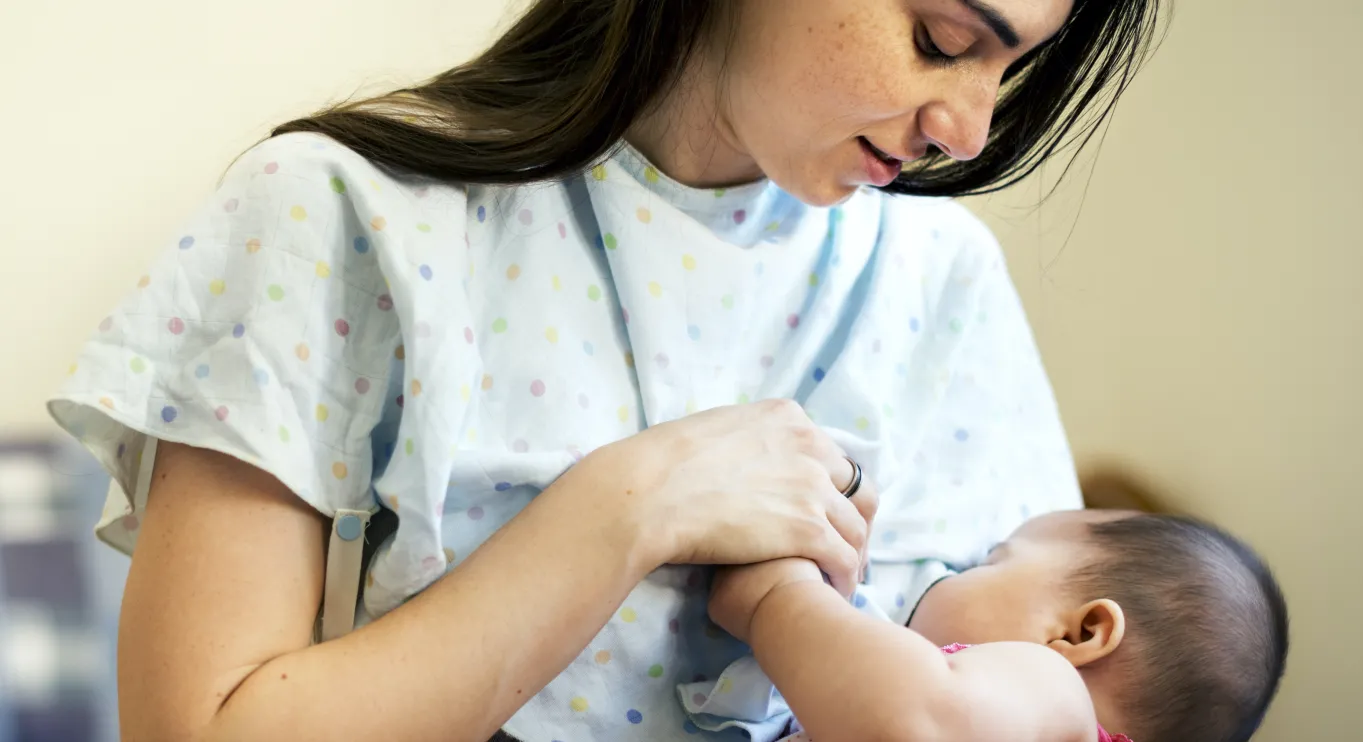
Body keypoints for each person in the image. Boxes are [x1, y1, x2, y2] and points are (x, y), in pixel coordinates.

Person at [45, 0, 1164, 739]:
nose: (968, 128)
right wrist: (632, 507)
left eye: (1010, 67)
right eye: (939, 36)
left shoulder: (942, 280)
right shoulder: (335, 213)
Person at [694, 510, 1290, 742]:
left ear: (1080, 635)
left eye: (990, 562)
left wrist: (778, 599)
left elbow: (912, 723)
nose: (948, 573)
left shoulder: (1055, 693)